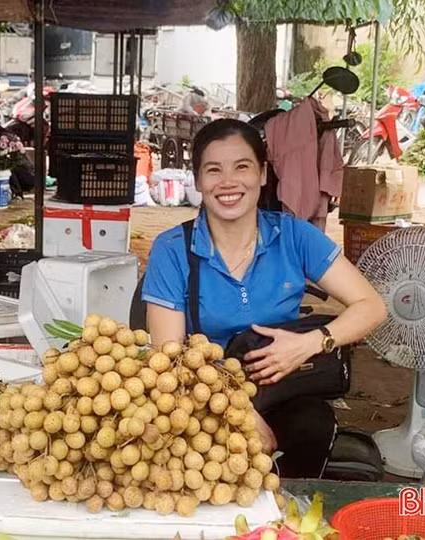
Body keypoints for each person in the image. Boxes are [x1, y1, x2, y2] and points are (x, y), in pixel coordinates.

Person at [141, 119, 388, 478]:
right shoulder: (173, 249)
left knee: (311, 423)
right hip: (200, 393)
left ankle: (287, 519)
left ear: (262, 174)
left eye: (242, 167)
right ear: (198, 181)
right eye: (213, 170)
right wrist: (236, 410)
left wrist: (310, 344)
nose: (228, 182)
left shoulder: (294, 236)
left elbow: (372, 306)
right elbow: (170, 359)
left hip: (282, 387)